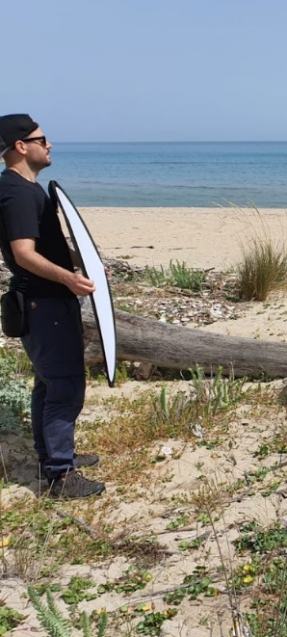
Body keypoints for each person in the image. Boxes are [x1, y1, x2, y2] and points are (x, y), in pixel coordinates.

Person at [0, 114, 104, 499]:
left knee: (47, 381)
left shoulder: (27, 189)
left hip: (44, 302)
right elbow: (23, 253)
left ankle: (54, 457)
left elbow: (44, 245)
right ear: (20, 147)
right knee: (65, 385)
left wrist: (85, 260)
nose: (50, 144)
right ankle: (61, 475)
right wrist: (68, 278)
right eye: (42, 139)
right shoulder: (17, 192)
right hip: (44, 304)